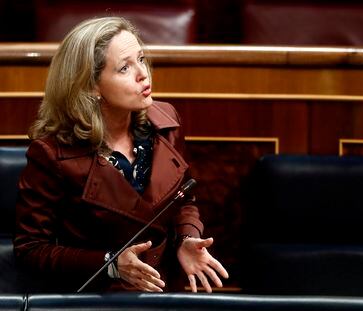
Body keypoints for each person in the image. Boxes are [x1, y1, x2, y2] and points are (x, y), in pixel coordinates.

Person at [13, 16, 228, 293]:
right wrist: (110, 264)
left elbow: (184, 199)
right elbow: (31, 250)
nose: (143, 74)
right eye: (125, 68)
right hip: (97, 300)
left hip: (165, 292)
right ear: (90, 86)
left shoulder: (166, 122)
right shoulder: (51, 154)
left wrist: (187, 238)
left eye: (141, 59)